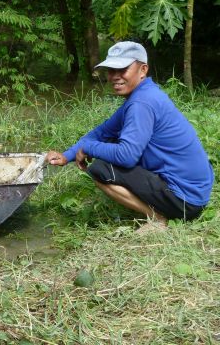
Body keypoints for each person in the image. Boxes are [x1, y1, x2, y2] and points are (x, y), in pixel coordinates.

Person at [45, 41, 214, 229]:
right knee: (110, 141)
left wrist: (89, 148)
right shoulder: (143, 95)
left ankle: (157, 218)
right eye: (111, 70)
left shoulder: (142, 103)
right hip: (195, 193)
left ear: (143, 70)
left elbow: (126, 156)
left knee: (100, 169)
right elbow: (103, 132)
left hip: (186, 200)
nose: (115, 77)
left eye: (123, 69)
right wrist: (67, 155)